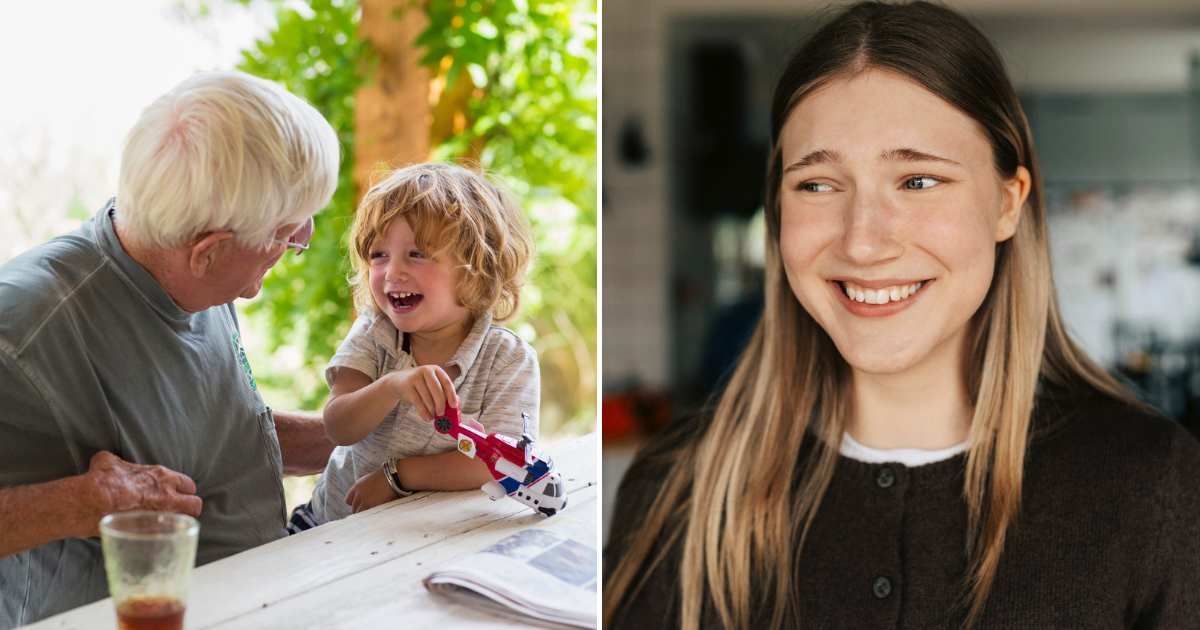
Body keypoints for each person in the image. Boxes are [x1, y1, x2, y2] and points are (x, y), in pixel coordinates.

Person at [603, 2, 1200, 628]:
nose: (862, 242)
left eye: (917, 181)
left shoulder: (1154, 485)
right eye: (817, 185)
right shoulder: (678, 490)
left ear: (1006, 202)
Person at [0, 71, 339, 628]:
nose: (299, 241)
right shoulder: (22, 325)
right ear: (207, 251)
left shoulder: (194, 274)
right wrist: (80, 503)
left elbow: (211, 434)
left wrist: (368, 435)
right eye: (286, 234)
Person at [284, 162, 540, 532]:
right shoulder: (375, 333)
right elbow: (338, 426)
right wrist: (393, 386)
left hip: (427, 538)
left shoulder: (508, 359)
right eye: (378, 255)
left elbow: (501, 463)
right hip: (328, 526)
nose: (392, 272)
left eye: (416, 254)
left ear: (476, 268)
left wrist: (396, 476)